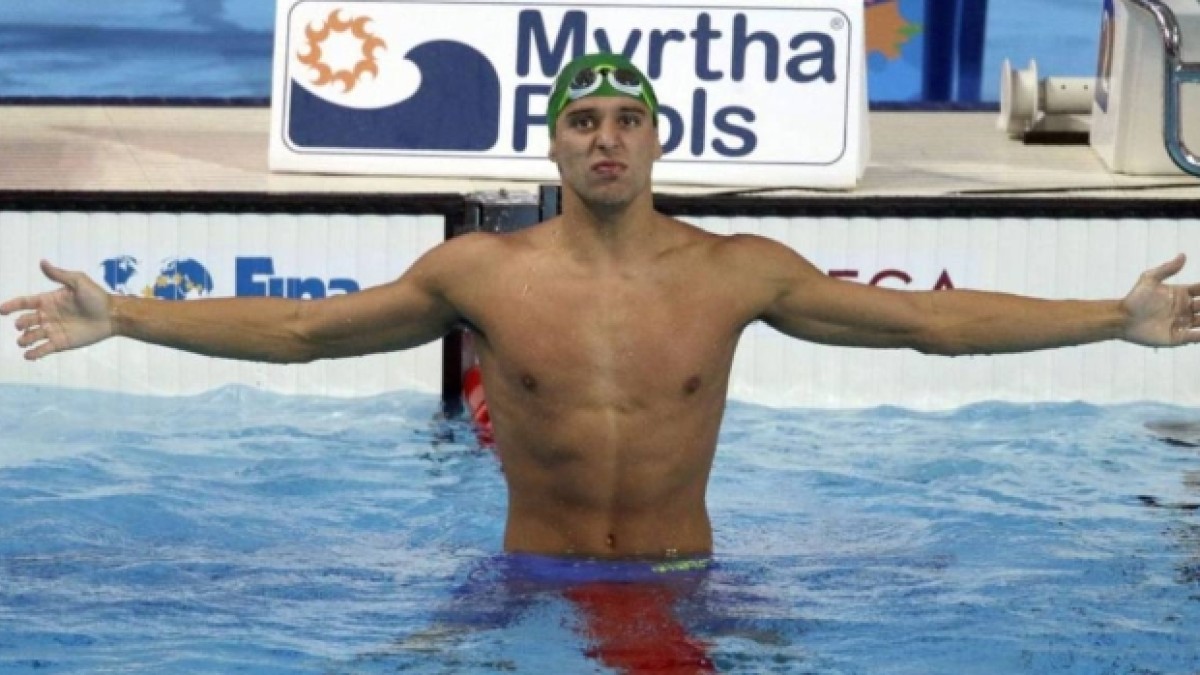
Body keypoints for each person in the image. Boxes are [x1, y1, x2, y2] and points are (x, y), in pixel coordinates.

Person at [4, 52, 1200, 564]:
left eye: (629, 121)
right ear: (556, 144)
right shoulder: (483, 275)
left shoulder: (737, 269)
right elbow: (307, 331)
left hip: (681, 586)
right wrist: (131, 318)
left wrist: (1113, 318)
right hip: (529, 582)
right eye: (585, 122)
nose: (607, 140)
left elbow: (933, 325)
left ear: (659, 139)